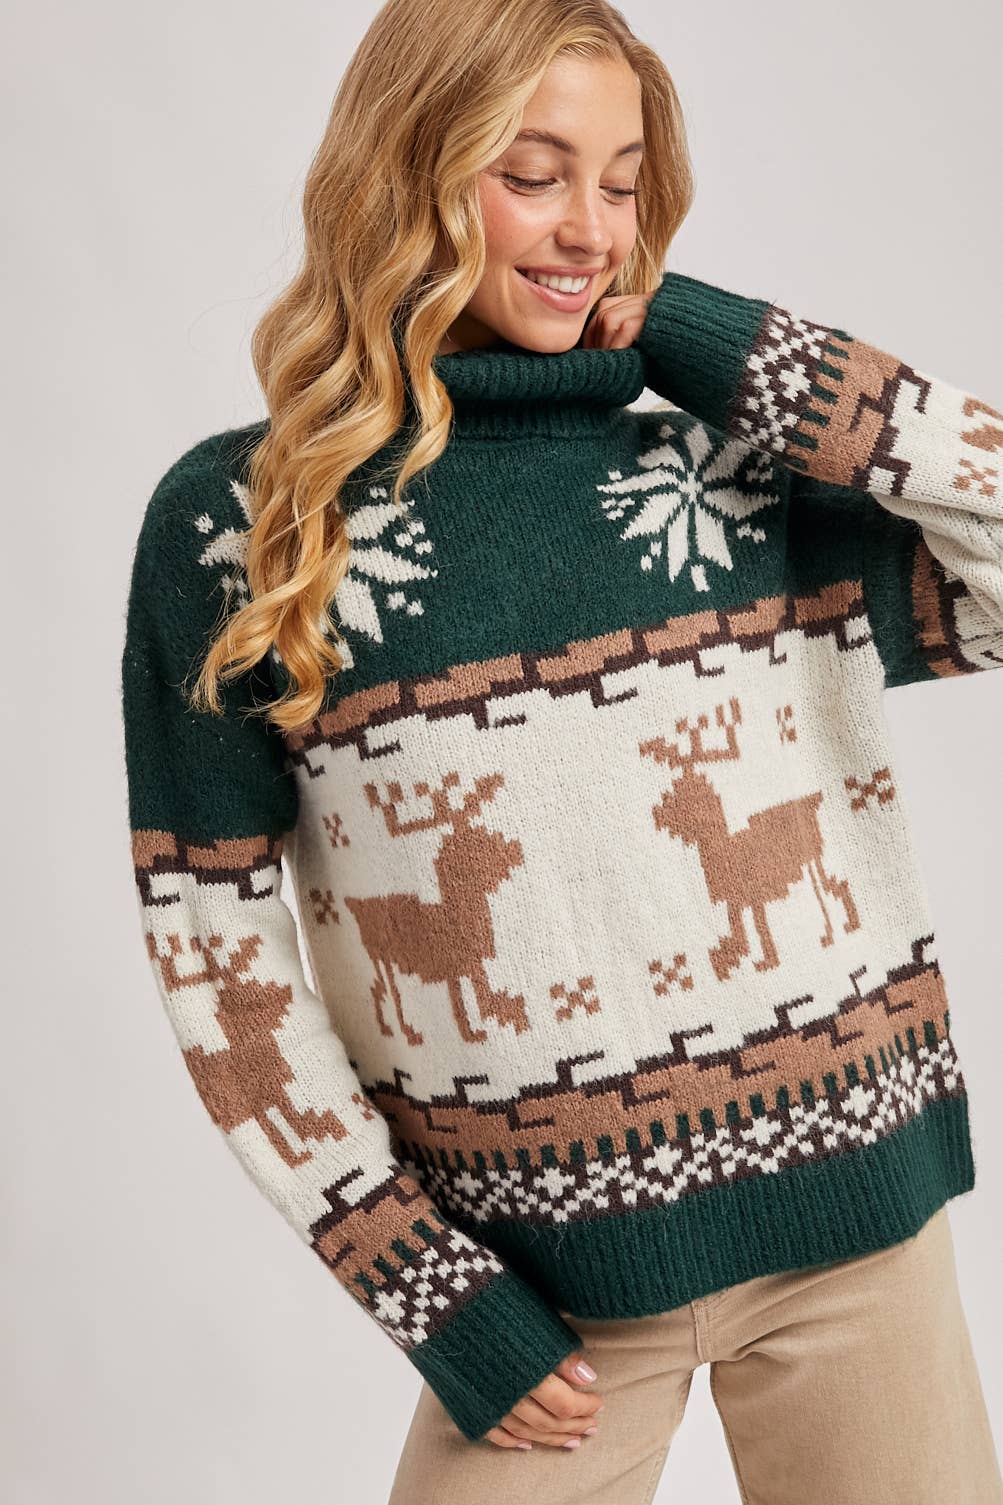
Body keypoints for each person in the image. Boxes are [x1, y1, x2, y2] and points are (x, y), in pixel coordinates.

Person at [119, 1, 1003, 1500]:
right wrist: (423, 1281)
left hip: (859, 1232)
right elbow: (213, 939)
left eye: (624, 183)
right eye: (533, 174)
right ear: (411, 172)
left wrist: (714, 338)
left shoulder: (727, 490)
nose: (590, 227)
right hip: (544, 1299)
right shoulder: (253, 525)